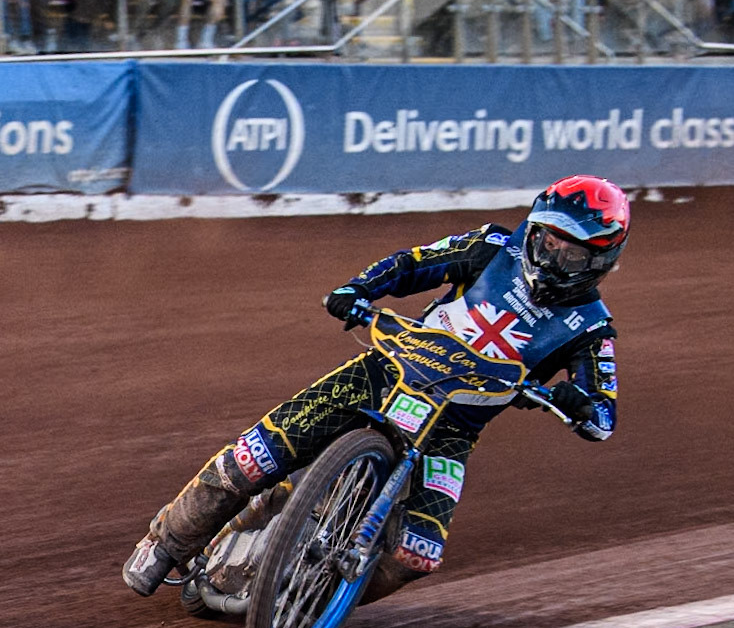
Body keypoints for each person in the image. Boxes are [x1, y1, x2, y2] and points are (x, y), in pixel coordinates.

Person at [123, 176, 629, 604]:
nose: (554, 257)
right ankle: (166, 543)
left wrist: (577, 403)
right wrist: (357, 289)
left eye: (573, 253)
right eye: (549, 241)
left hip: (455, 427)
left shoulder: (591, 329)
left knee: (418, 554)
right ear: (534, 230)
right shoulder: (492, 247)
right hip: (386, 371)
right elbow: (413, 263)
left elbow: (603, 418)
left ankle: (309, 603)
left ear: (602, 260)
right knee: (256, 455)